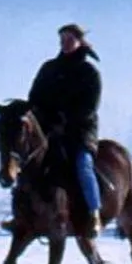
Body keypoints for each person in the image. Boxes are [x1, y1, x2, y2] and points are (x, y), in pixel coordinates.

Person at [27, 23, 103, 225]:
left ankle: (94, 212)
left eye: (70, 40)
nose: (65, 44)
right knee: (30, 163)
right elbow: (35, 97)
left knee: (83, 166)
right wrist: (42, 118)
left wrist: (66, 121)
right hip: (50, 131)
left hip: (80, 132)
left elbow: (89, 107)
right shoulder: (48, 69)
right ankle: (24, 214)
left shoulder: (89, 73)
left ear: (79, 41)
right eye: (62, 40)